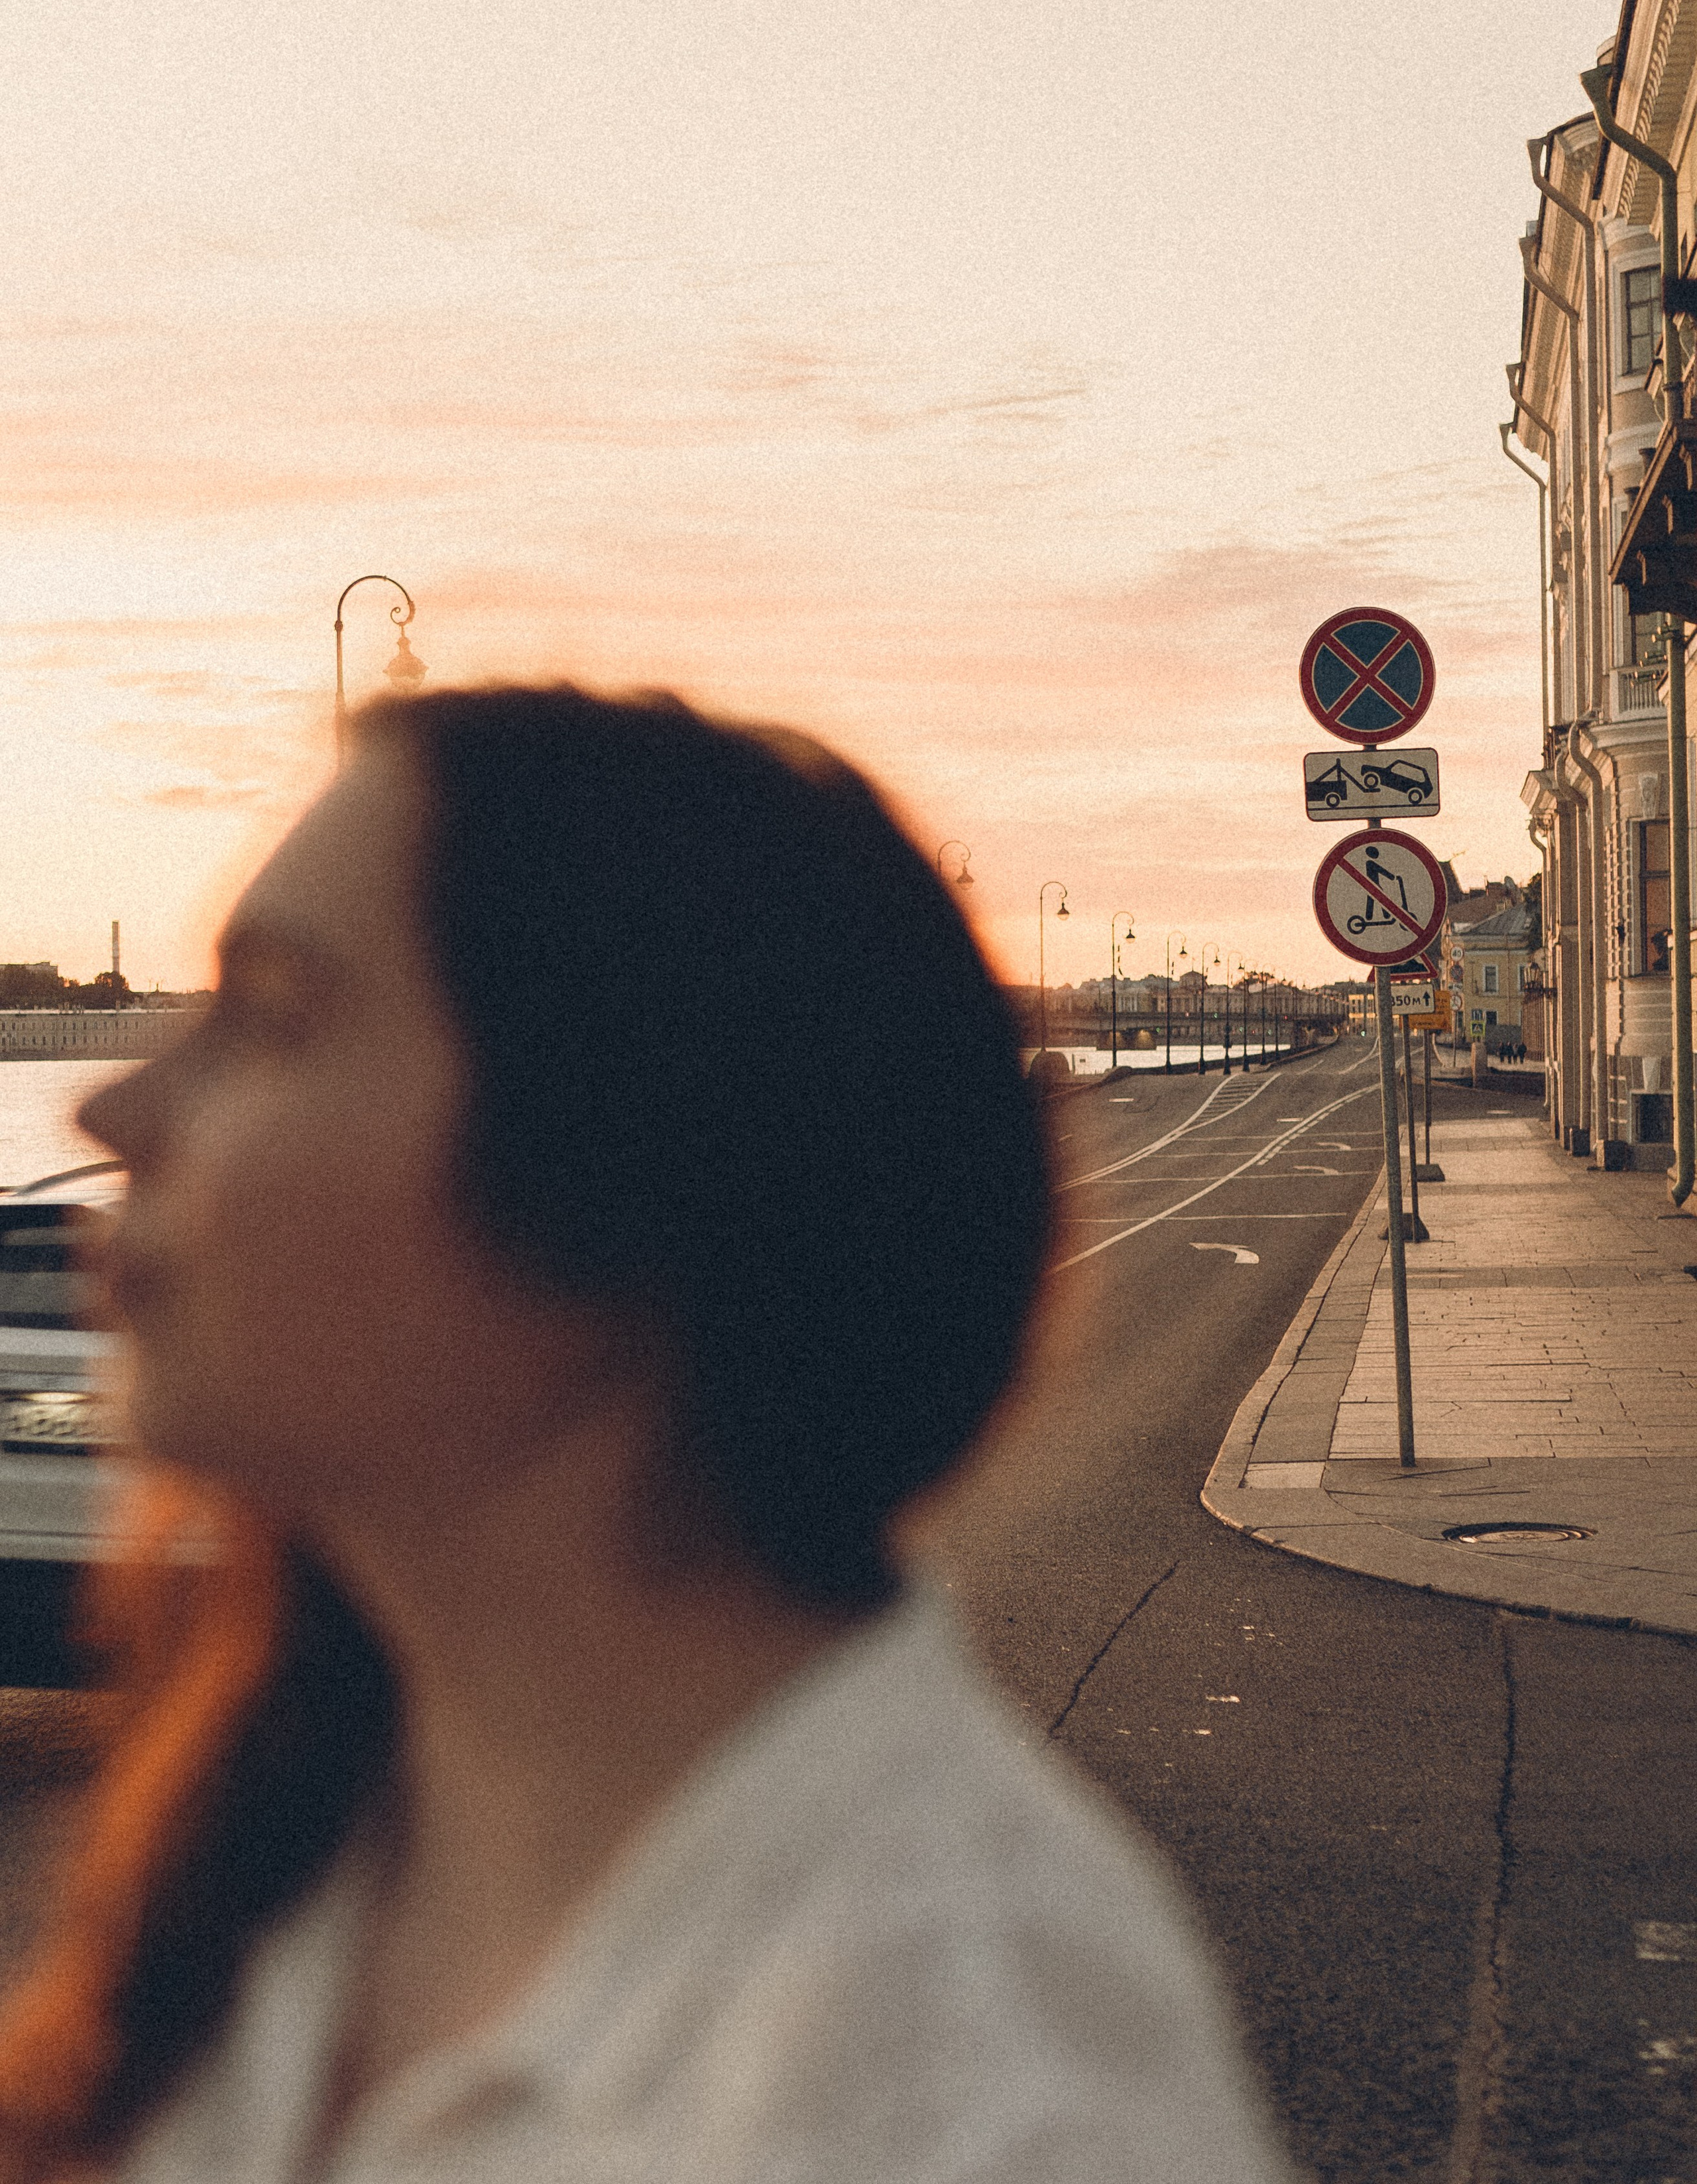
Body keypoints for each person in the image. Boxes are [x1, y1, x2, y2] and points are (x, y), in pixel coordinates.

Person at [0, 685, 1290, 2183]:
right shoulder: (309, 1821)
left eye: (275, 1018)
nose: (113, 1106)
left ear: (625, 1195)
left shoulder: (979, 2089)